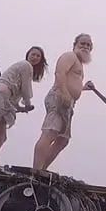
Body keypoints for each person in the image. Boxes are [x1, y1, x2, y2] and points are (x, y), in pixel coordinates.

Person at [33, 33, 93, 171]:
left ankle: (42, 169)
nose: (85, 47)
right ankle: (36, 170)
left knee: (63, 139)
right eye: (82, 43)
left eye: (88, 45)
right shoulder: (70, 56)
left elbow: (73, 83)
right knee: (50, 132)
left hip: (69, 102)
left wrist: (83, 88)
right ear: (75, 45)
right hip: (59, 97)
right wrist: (64, 93)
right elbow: (59, 73)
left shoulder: (79, 64)